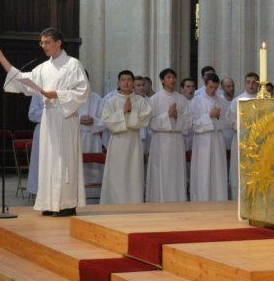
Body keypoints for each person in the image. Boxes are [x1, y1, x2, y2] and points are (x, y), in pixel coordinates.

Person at [0, 29, 91, 217]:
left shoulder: (72, 65)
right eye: (41, 43)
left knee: (63, 159)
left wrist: (58, 94)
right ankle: (50, 203)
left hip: (65, 116)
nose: (43, 46)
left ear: (58, 42)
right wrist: (2, 59)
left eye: (47, 42)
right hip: (48, 117)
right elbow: (22, 80)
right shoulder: (43, 68)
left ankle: (66, 204)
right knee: (48, 160)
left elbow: (83, 91)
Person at [100, 70, 152, 205]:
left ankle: (134, 204)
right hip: (117, 141)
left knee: (133, 174)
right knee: (117, 174)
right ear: (118, 82)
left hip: (134, 141)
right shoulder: (111, 101)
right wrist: (123, 112)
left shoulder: (141, 101)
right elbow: (107, 121)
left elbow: (144, 120)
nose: (126, 82)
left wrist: (131, 112)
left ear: (133, 83)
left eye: (129, 80)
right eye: (123, 80)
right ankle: (114, 203)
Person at [146, 68, 192, 202]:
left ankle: (177, 201)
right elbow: (150, 123)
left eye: (173, 77)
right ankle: (158, 201)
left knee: (176, 173)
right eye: (168, 77)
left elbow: (189, 122)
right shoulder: (154, 99)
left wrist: (177, 117)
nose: (172, 80)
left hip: (176, 141)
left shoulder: (181, 99)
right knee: (161, 173)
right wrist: (167, 116)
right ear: (162, 80)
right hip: (160, 141)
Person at [189, 73, 230, 201]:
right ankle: (202, 199)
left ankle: (219, 199)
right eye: (211, 87)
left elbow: (227, 121)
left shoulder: (221, 101)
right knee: (203, 171)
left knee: (217, 171)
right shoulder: (196, 101)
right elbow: (193, 124)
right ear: (205, 85)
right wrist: (209, 116)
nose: (213, 90)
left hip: (217, 140)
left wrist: (218, 117)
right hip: (202, 141)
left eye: (215, 87)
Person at [227, 71, 260, 199]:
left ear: (258, 84)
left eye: (254, 82)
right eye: (248, 82)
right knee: (239, 172)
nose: (251, 85)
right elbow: (229, 120)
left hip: (257, 142)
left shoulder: (262, 100)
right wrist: (243, 127)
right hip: (241, 140)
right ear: (244, 84)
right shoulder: (237, 101)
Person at [77, 79, 105, 202]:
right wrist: (79, 120)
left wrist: (94, 121)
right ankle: (76, 197)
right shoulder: (70, 98)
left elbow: (106, 121)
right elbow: (63, 118)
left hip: (93, 138)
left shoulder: (97, 99)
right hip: (76, 137)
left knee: (94, 169)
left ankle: (94, 197)